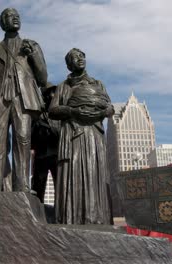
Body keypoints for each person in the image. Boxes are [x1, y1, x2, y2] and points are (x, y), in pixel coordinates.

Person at [0, 8, 48, 192]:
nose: (15, 18)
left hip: (22, 99)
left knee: (23, 140)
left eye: (17, 15)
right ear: (2, 23)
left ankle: (22, 185)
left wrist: (33, 55)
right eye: (10, 16)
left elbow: (42, 78)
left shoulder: (30, 46)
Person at [49, 48, 114, 225]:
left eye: (82, 56)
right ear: (69, 64)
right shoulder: (64, 87)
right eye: (75, 57)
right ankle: (72, 218)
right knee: (73, 173)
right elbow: (53, 110)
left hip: (93, 135)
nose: (80, 59)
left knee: (94, 173)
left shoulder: (98, 84)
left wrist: (103, 111)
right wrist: (71, 111)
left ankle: (98, 218)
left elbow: (110, 108)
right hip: (73, 135)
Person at [31, 83, 60, 202]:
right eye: (49, 93)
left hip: (56, 155)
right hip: (41, 156)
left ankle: (60, 214)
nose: (52, 96)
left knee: (59, 186)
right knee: (38, 187)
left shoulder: (58, 115)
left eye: (53, 93)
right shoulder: (37, 115)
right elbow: (30, 135)